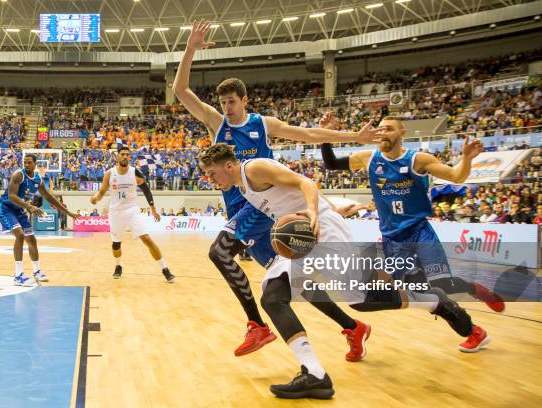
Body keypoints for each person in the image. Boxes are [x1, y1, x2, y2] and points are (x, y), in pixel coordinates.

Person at [199, 144, 476, 399]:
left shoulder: (254, 168)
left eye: (212, 173)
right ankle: (315, 372)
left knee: (344, 299)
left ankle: (434, 302)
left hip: (322, 232)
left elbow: (305, 182)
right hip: (308, 237)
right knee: (288, 297)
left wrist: (314, 211)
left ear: (229, 165)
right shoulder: (242, 186)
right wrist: (331, 208)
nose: (211, 179)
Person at [173, 20, 380, 356]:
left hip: (257, 208)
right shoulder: (216, 123)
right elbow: (182, 91)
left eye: (231, 102)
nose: (226, 108)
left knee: (219, 252)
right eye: (223, 102)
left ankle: (256, 325)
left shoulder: (263, 125)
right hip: (250, 209)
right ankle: (353, 327)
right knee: (291, 283)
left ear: (244, 100)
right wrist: (190, 49)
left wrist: (356, 138)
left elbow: (309, 135)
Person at [321, 115, 502, 351]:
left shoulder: (418, 159)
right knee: (421, 291)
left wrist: (466, 159)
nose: (382, 132)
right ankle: (473, 331)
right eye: (380, 128)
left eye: (389, 128)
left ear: (402, 132)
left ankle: (475, 289)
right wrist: (324, 134)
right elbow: (332, 163)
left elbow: (457, 176)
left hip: (419, 232)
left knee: (442, 284)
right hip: (392, 239)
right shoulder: (369, 158)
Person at [90, 146, 175, 282]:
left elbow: (146, 190)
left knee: (146, 238)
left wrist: (152, 208)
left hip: (132, 210)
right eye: (122, 154)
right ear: (117, 156)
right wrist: (95, 198)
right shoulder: (109, 174)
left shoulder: (135, 172)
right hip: (116, 212)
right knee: (116, 244)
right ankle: (118, 265)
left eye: (127, 155)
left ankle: (165, 268)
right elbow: (101, 192)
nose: (124, 156)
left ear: (129, 157)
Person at [0, 154, 78, 286]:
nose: (26, 165)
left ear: (35, 164)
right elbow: (11, 196)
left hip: (19, 210)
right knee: (20, 235)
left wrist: (66, 211)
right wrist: (29, 206)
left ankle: (37, 271)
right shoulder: (18, 175)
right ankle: (18, 275)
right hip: (5, 208)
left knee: (32, 239)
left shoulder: (38, 179)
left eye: (29, 162)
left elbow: (48, 196)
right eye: (25, 162)